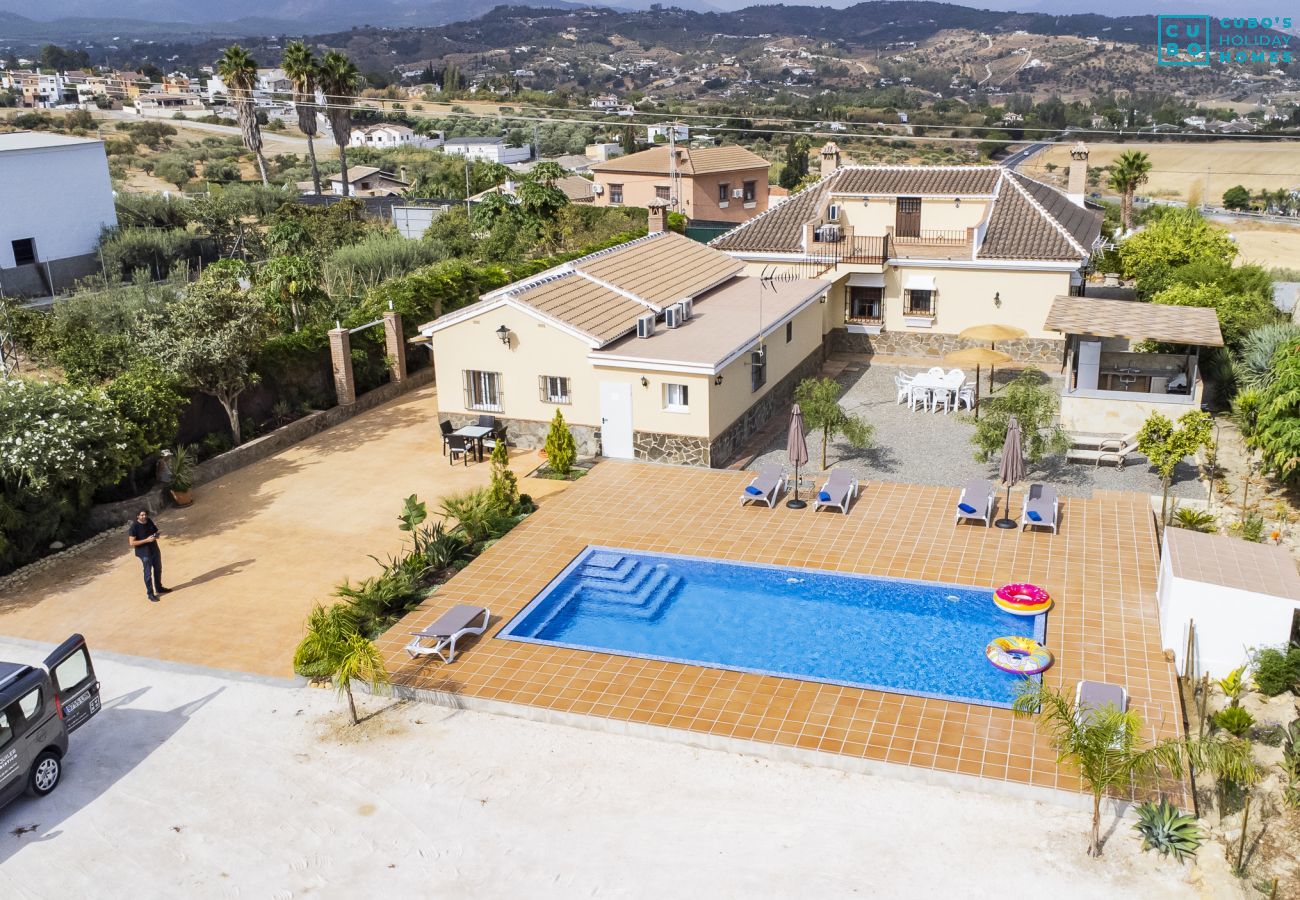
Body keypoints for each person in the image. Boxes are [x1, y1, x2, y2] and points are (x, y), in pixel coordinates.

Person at [127, 510, 171, 603]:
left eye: (145, 515)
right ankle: (150, 594)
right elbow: (132, 542)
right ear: (137, 516)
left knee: (158, 569)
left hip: (154, 549)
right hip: (144, 553)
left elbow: (156, 530)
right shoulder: (134, 527)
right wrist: (146, 540)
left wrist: (157, 534)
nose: (144, 516)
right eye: (141, 515)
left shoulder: (149, 521)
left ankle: (159, 588)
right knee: (148, 573)